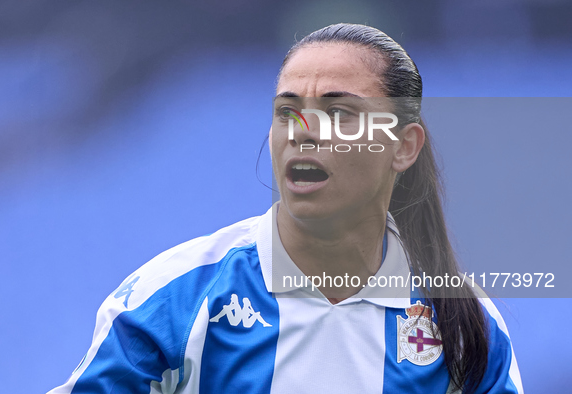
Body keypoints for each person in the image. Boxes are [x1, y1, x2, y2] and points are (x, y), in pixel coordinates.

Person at [49, 23, 523, 394]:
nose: (303, 131)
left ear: (403, 146)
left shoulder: (463, 323)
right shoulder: (176, 299)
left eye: (340, 113)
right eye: (286, 112)